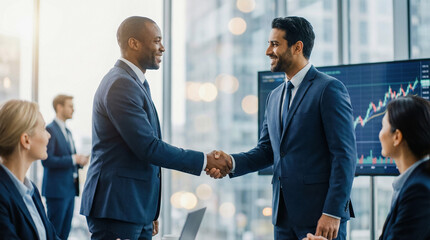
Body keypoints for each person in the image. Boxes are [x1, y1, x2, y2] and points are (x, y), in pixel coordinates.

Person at [80, 16, 231, 240]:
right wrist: (205, 160)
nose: (163, 47)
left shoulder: (135, 83)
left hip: (133, 208)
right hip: (117, 209)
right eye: (157, 41)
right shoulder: (121, 84)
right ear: (134, 43)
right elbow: (148, 147)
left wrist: (148, 211)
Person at [207, 16, 356, 240]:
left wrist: (333, 212)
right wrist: (232, 162)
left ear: (297, 47)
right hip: (283, 218)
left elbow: (345, 155)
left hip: (321, 219)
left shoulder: (329, 89)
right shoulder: (274, 96)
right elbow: (267, 150)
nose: (268, 51)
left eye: (275, 44)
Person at [303, 95, 430, 240]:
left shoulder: (418, 190)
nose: (379, 134)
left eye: (383, 126)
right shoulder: (415, 183)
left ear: (397, 137)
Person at [0, 100, 58, 239]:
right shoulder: (2, 196)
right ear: (26, 140)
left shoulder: (31, 191)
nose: (49, 135)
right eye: (44, 129)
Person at [41, 94, 89, 240]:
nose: (73, 109)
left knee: (64, 234)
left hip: (69, 190)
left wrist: (79, 162)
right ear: (59, 107)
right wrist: (73, 159)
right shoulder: (50, 129)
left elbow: (69, 160)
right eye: (70, 106)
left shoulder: (68, 132)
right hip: (56, 192)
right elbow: (47, 160)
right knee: (54, 233)